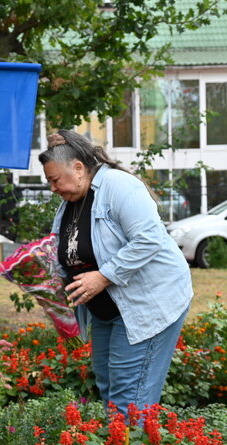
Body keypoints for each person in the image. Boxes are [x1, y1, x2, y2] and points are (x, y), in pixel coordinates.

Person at [39, 129, 193, 414]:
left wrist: (103, 276)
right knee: (109, 387)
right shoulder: (69, 205)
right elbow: (67, 254)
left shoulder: (117, 186)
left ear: (78, 167)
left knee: (129, 398)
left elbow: (149, 239)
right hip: (106, 311)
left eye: (54, 180)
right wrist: (42, 283)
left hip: (145, 304)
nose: (52, 188)